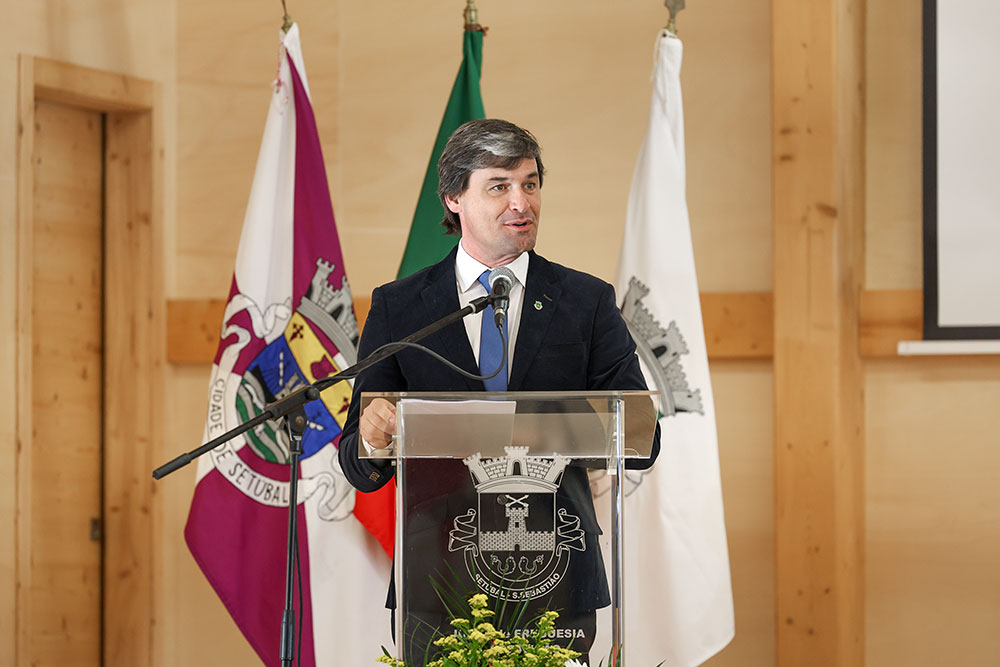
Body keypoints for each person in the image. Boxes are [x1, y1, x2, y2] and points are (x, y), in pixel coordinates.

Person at [338, 119, 659, 662]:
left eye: (530, 184)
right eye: (499, 186)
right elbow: (357, 464)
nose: (521, 202)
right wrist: (374, 438)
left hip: (556, 576)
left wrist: (552, 427)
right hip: (437, 582)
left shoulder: (586, 302)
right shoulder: (400, 307)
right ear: (454, 198)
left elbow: (641, 439)